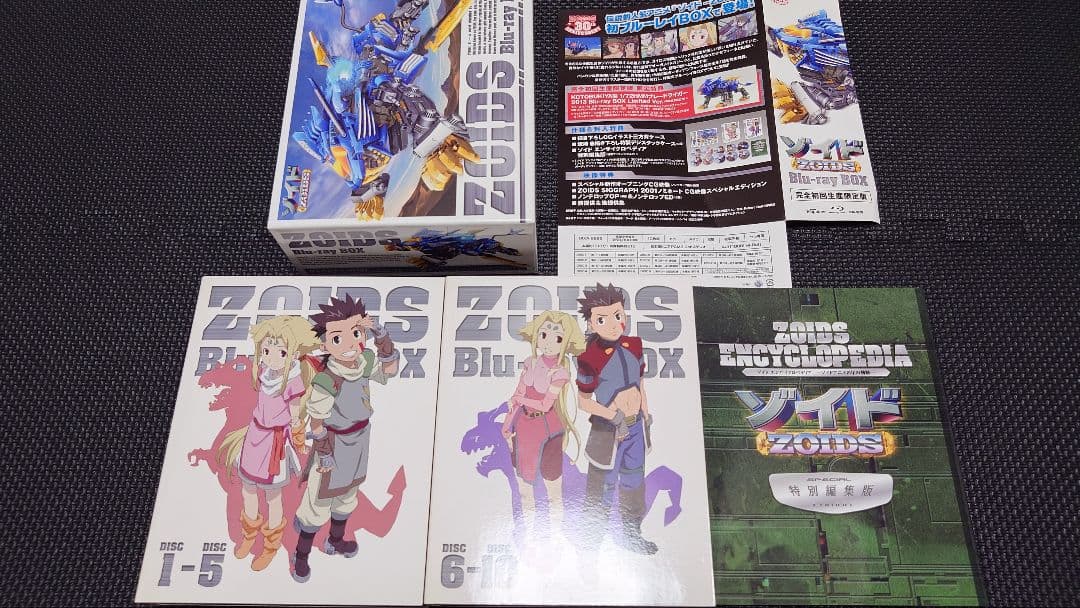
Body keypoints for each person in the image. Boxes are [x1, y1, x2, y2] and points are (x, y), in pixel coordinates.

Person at [290, 294, 400, 582]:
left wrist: (381, 334)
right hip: (334, 444)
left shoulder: (363, 361)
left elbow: (389, 370)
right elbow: (317, 421)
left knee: (348, 495)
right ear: (326, 344)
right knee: (318, 502)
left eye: (356, 333)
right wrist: (324, 452)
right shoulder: (327, 379)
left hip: (360, 438)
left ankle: (336, 540)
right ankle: (301, 554)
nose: (350, 344)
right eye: (338, 339)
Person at [218, 316, 319, 571]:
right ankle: (249, 535)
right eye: (266, 350)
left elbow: (295, 416)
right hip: (255, 436)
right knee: (248, 489)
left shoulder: (293, 380)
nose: (271, 357)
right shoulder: (264, 373)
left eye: (280, 352)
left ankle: (270, 546)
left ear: (293, 354)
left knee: (273, 496)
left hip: (275, 442)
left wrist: (298, 439)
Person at [574, 283, 657, 554]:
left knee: (634, 482)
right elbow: (583, 401)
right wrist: (614, 416)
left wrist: (645, 411)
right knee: (601, 487)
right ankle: (590, 544)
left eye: (618, 315)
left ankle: (632, 536)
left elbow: (640, 381)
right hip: (608, 431)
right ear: (590, 323)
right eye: (602, 319)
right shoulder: (589, 357)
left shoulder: (634, 345)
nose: (613, 324)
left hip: (636, 429)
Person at [501, 311, 586, 538]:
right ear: (536, 335)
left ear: (565, 342)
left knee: (553, 493)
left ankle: (556, 536)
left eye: (557, 338)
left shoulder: (560, 372)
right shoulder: (529, 363)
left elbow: (544, 404)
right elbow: (516, 396)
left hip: (549, 432)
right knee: (524, 490)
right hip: (524, 428)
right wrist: (507, 426)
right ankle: (529, 536)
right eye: (544, 334)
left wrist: (520, 400)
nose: (548, 342)